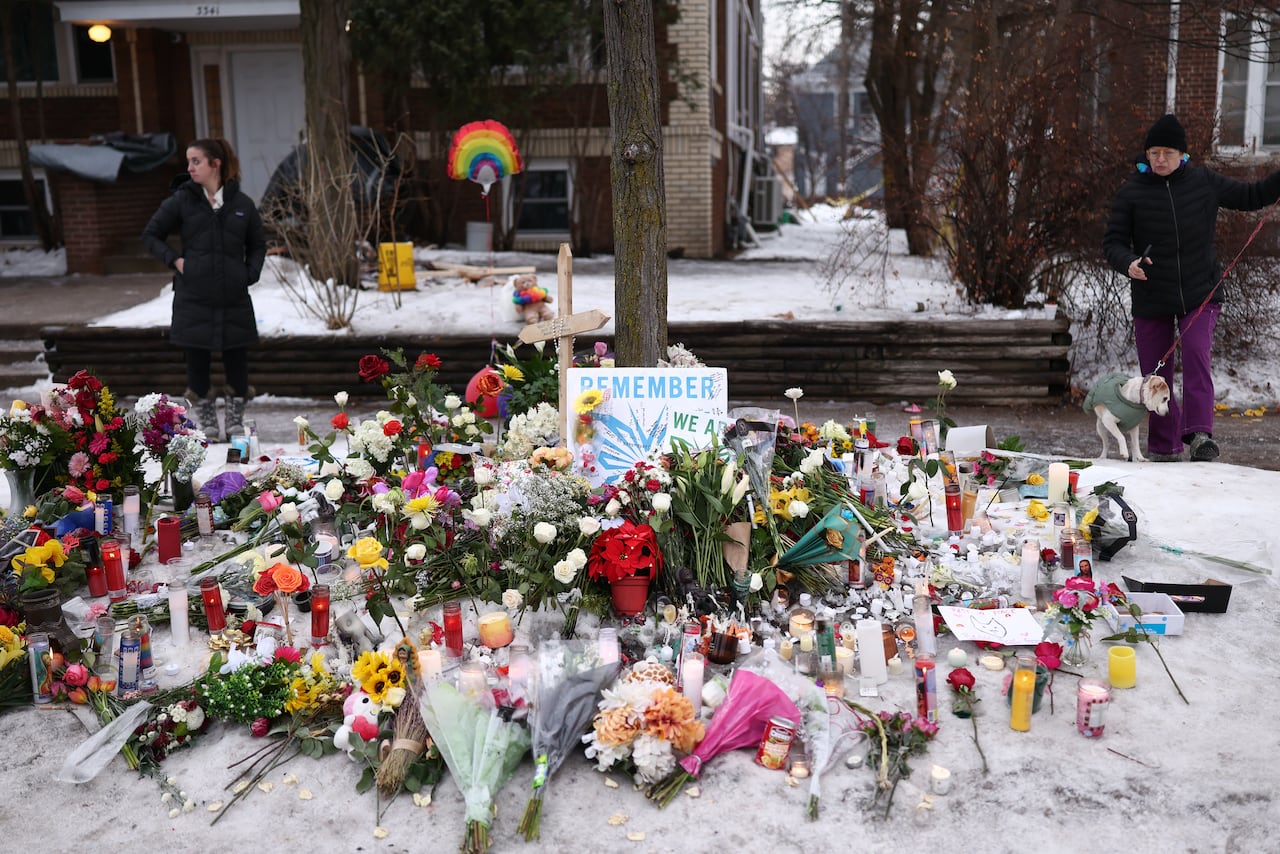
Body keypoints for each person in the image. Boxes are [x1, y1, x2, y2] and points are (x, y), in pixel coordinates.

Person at [1103, 114, 1280, 462]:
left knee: (1197, 356)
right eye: (1154, 153)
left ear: (1182, 154)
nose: (1160, 159)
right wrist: (1129, 262)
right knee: (1156, 374)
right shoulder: (1132, 193)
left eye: (1167, 153)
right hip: (1152, 295)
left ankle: (1200, 436)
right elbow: (1113, 242)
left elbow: (1251, 195)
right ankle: (1164, 447)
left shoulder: (1203, 182)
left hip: (1201, 291)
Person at [143, 138, 266, 442]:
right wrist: (176, 261)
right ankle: (207, 420)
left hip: (233, 295)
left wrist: (248, 273)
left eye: (196, 161)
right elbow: (152, 234)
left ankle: (235, 420)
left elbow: (258, 244)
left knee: (237, 358)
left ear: (216, 163)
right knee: (196, 360)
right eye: (189, 161)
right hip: (193, 295)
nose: (190, 168)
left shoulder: (242, 204)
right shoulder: (182, 200)